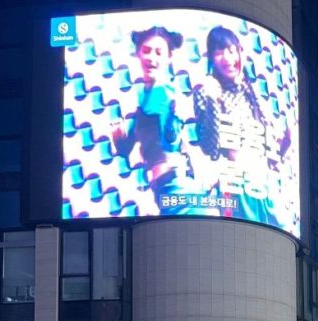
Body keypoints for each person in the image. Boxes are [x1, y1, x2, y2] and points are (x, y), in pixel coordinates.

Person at [193, 26, 290, 227]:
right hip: (236, 186)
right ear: (210, 57)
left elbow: (271, 151)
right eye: (219, 52)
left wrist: (285, 142)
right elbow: (209, 147)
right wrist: (212, 102)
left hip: (263, 186)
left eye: (231, 50)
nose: (228, 58)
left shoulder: (249, 90)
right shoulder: (206, 91)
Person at [111, 26, 211, 216]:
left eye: (159, 52)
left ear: (168, 57)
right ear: (138, 53)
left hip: (177, 188)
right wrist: (120, 139)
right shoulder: (144, 98)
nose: (152, 58)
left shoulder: (164, 92)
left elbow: (168, 140)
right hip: (164, 191)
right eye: (147, 51)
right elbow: (126, 149)